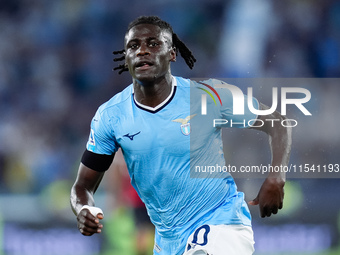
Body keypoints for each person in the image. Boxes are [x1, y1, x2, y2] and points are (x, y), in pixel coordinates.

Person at [70, 15, 292, 255]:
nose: (142, 51)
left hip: (222, 221)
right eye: (133, 46)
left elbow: (277, 121)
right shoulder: (111, 116)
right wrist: (84, 208)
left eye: (153, 43)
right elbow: (83, 186)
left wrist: (276, 177)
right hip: (167, 241)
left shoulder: (209, 96)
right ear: (126, 57)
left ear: (172, 53)